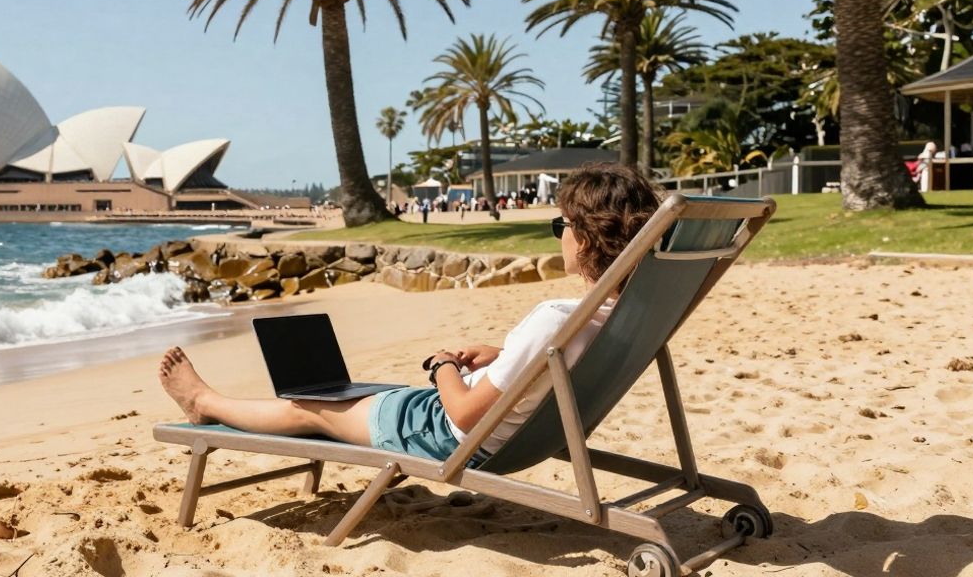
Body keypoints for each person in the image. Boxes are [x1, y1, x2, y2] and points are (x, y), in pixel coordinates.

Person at [158, 163, 662, 462]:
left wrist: (443, 365)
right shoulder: (622, 314)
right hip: (509, 433)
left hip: (448, 435)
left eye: (561, 225)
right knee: (351, 397)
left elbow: (463, 413)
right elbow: (559, 361)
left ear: (586, 237)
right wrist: (503, 354)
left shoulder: (555, 317)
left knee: (308, 408)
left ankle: (205, 402)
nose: (559, 236)